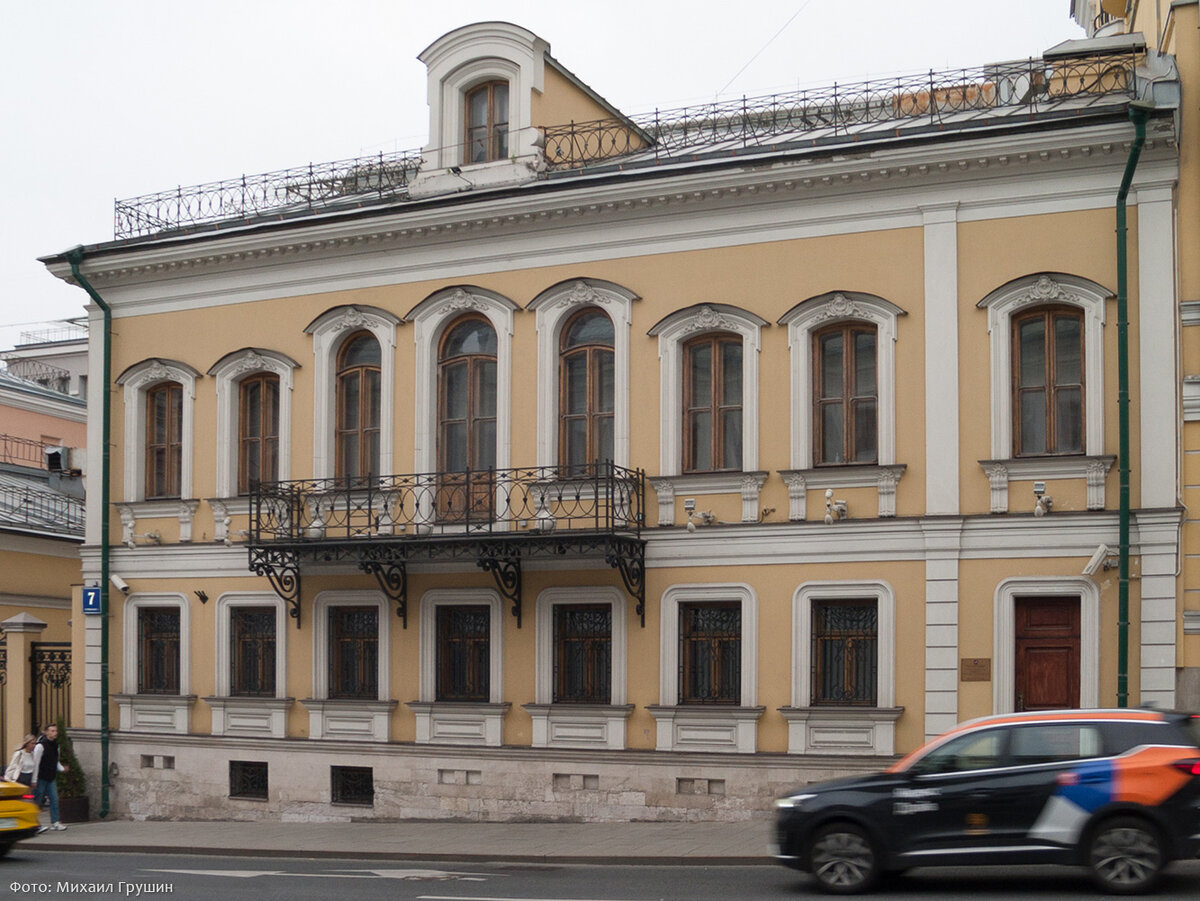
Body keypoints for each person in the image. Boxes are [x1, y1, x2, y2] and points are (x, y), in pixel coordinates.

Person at [32, 724, 67, 832]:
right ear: (46, 732)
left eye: (55, 731)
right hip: (41, 777)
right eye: (52, 731)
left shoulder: (56, 745)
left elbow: (56, 761)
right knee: (37, 800)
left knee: (54, 799)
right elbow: (36, 763)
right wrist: (34, 779)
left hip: (51, 777)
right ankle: (34, 823)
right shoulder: (40, 746)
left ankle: (55, 822)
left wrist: (61, 769)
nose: (54, 733)